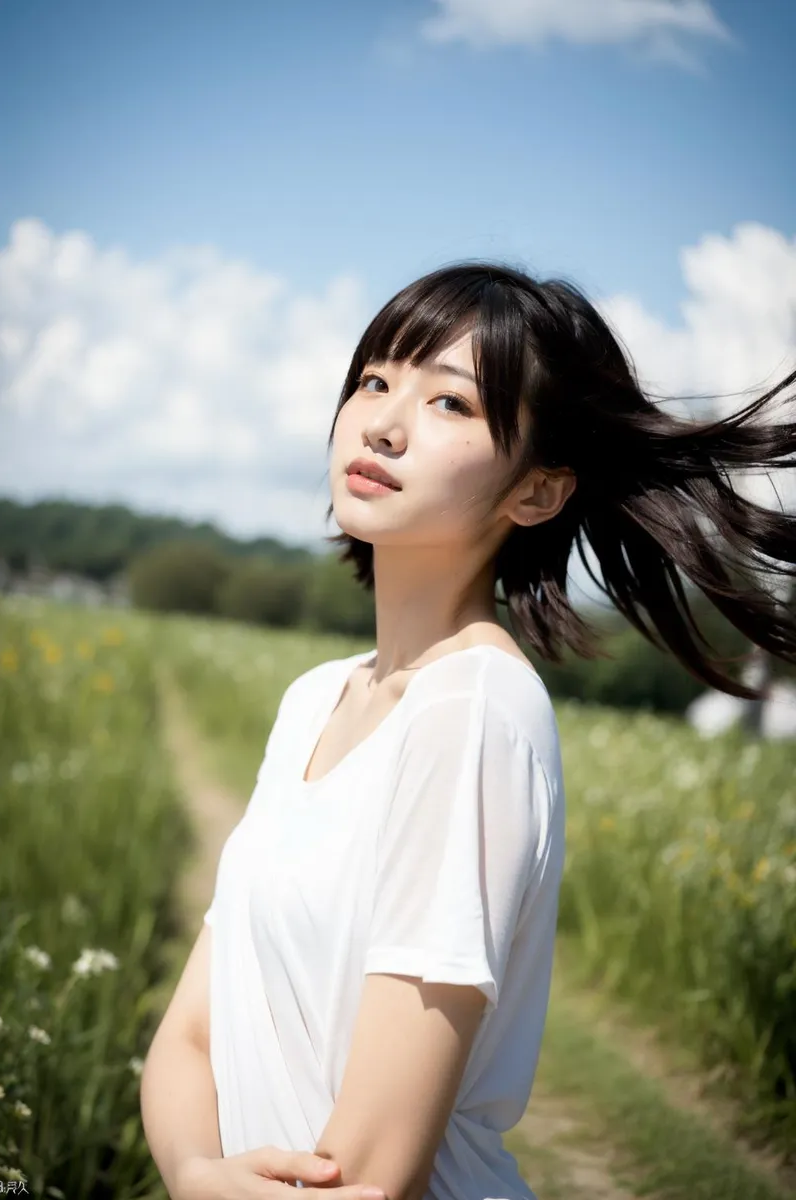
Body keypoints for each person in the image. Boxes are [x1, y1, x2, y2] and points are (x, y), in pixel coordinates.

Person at [141, 261, 796, 1200]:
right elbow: (190, 1039)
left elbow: (367, 1176)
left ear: (535, 492)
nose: (383, 422)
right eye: (374, 380)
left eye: (451, 404)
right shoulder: (313, 700)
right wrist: (197, 1173)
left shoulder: (473, 713)